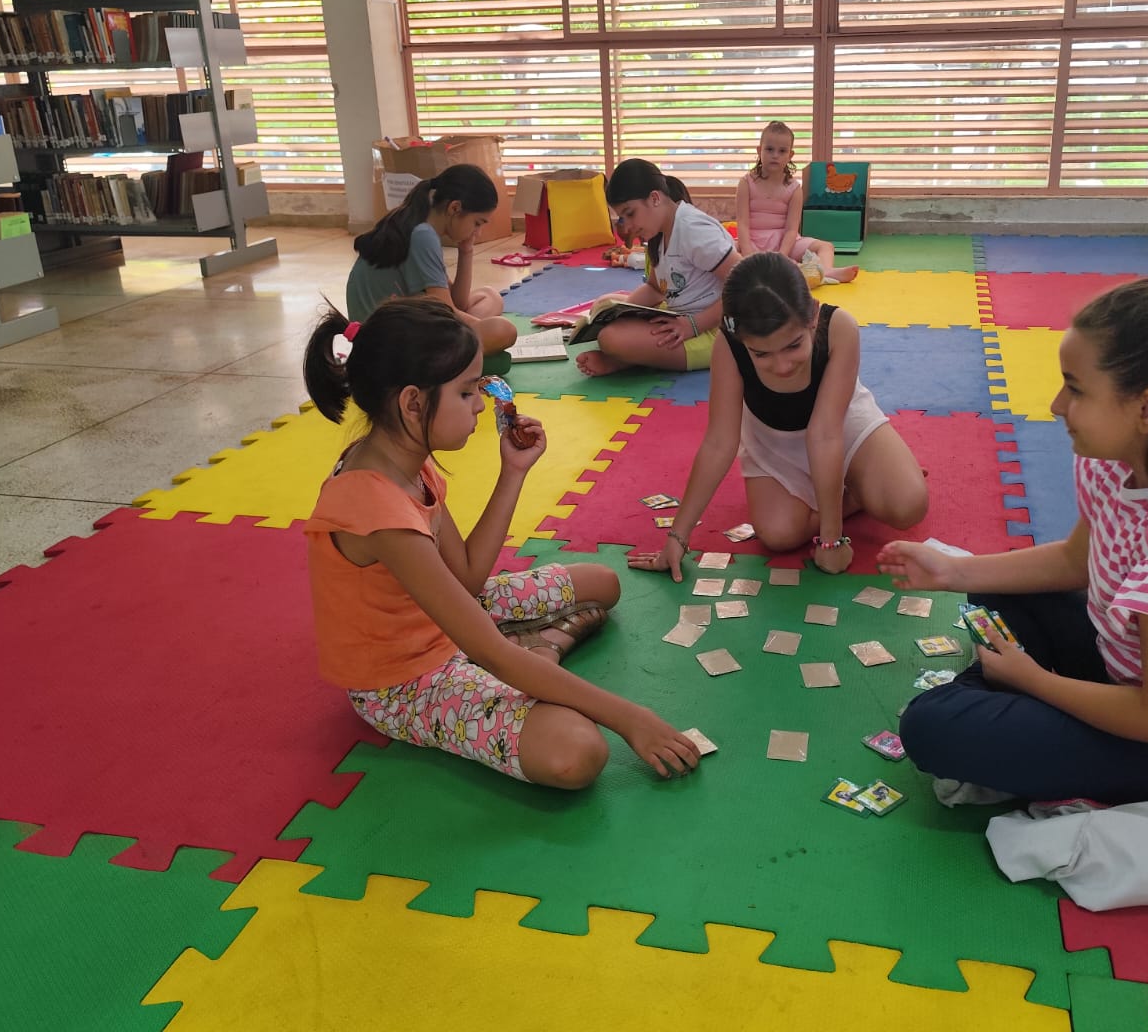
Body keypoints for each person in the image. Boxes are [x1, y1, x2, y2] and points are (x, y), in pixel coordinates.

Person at [878, 275, 1148, 810]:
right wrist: (952, 571)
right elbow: (1079, 561)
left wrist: (1033, 682)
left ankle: (1007, 701)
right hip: (1126, 669)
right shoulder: (1114, 464)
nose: (1055, 405)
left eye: (1074, 388)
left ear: (1147, 411)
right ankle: (1011, 701)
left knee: (932, 727)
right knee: (997, 594)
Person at [302, 296, 699, 788]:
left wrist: (513, 472)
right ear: (412, 402)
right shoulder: (377, 509)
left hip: (445, 620)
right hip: (404, 680)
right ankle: (540, 651)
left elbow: (467, 577)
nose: (483, 403)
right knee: (578, 752)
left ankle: (541, 651)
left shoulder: (403, 459)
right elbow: (487, 648)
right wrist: (631, 718)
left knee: (603, 582)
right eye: (469, 392)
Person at [628, 252, 927, 579]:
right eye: (761, 354)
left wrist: (831, 540)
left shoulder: (840, 327)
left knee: (908, 505)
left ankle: (855, 485)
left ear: (812, 315)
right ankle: (854, 493)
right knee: (778, 535)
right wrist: (678, 537)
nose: (782, 365)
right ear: (743, 340)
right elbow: (719, 442)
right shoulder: (729, 345)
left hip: (843, 428)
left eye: (793, 345)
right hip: (773, 442)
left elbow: (825, 434)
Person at [575, 158, 742, 377]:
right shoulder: (659, 233)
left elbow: (745, 286)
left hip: (717, 329)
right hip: (679, 315)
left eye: (630, 213)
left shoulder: (693, 231)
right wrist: (615, 313)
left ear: (654, 198)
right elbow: (655, 289)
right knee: (605, 304)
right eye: (622, 217)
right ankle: (635, 353)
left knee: (611, 339)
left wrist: (694, 325)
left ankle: (624, 361)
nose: (628, 226)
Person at [346, 164, 517, 354]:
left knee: (490, 296)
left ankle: (469, 351)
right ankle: (461, 359)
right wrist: (483, 329)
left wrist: (466, 250)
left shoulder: (418, 223)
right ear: (455, 208)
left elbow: (458, 303)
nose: (478, 232)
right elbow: (446, 312)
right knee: (504, 330)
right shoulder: (423, 235)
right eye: (477, 223)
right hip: (391, 347)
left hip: (394, 331)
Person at [734, 121, 856, 285]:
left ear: (790, 155)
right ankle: (796, 271)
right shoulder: (746, 182)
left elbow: (792, 229)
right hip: (753, 240)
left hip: (785, 241)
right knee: (727, 251)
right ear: (759, 151)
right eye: (769, 149)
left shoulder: (794, 188)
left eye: (782, 151)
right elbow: (742, 223)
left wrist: (783, 255)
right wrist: (748, 253)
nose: (775, 155)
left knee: (826, 247)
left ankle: (825, 273)